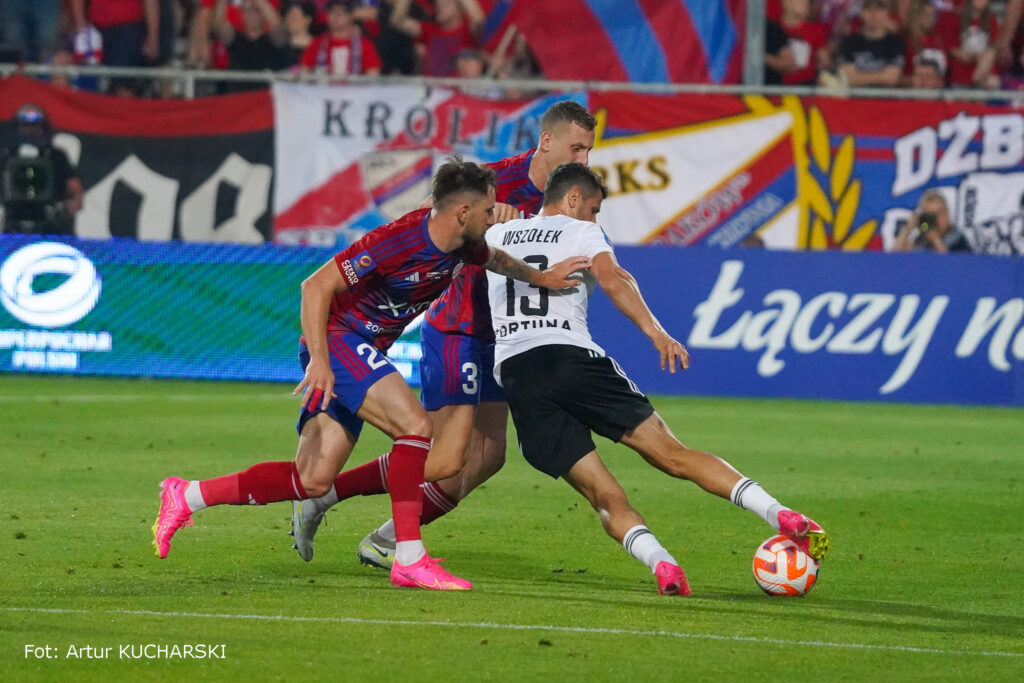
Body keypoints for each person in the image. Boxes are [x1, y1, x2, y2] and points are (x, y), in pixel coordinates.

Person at [152, 158, 590, 592]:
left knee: (312, 479)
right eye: (489, 210)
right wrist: (320, 361)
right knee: (416, 427)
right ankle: (409, 558)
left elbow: (498, 260)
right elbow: (315, 286)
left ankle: (187, 495)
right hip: (338, 339)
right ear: (463, 212)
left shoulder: (466, 244)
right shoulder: (398, 239)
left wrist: (543, 278)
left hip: (362, 350)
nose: (495, 216)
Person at [485, 162, 830, 595]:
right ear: (573, 199)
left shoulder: (496, 234)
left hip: (519, 376)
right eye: (592, 209)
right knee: (673, 456)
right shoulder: (582, 233)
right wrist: (657, 333)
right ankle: (779, 514)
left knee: (604, 496)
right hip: (570, 357)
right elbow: (613, 279)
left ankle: (663, 564)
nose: (595, 219)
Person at [289, 100, 597, 568]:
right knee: (443, 457)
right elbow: (429, 222)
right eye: (576, 148)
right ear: (547, 140)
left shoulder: (571, 201)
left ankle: (386, 539)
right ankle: (326, 495)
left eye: (589, 151)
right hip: (460, 329)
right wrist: (491, 221)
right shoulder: (493, 184)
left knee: (488, 457)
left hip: (506, 338)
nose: (584, 160)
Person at [0, 104, 83, 235]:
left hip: (49, 219)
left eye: (35, 125)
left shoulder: (56, 156)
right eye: (25, 125)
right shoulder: (6, 156)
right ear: (17, 127)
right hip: (13, 218)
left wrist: (72, 204)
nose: (30, 130)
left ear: (43, 128)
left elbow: (74, 186)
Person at [821, 0, 905, 88]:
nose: (874, 15)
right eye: (869, 9)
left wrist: (859, 76)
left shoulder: (895, 43)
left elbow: (891, 78)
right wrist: (881, 75)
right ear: (862, 13)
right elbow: (848, 78)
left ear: (887, 13)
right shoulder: (849, 42)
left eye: (879, 9)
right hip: (855, 99)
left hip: (886, 100)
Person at [212, 0, 286, 90]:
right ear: (241, 14)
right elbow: (219, 26)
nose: (252, 15)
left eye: (256, 10)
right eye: (247, 11)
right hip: (239, 97)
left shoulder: (272, 40)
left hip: (266, 97)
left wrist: (260, 3)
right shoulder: (235, 38)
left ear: (263, 14)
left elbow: (277, 26)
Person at [299, 0, 382, 75]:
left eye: (341, 13)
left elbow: (373, 75)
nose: (336, 17)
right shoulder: (317, 43)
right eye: (332, 12)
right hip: (323, 90)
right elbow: (304, 72)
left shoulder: (364, 45)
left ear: (351, 16)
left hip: (356, 90)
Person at [892, 189, 972, 252]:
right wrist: (907, 229)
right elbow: (895, 259)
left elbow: (952, 265)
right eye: (928, 215)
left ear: (946, 214)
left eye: (937, 214)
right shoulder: (919, 239)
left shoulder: (958, 239)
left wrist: (935, 240)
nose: (933, 220)